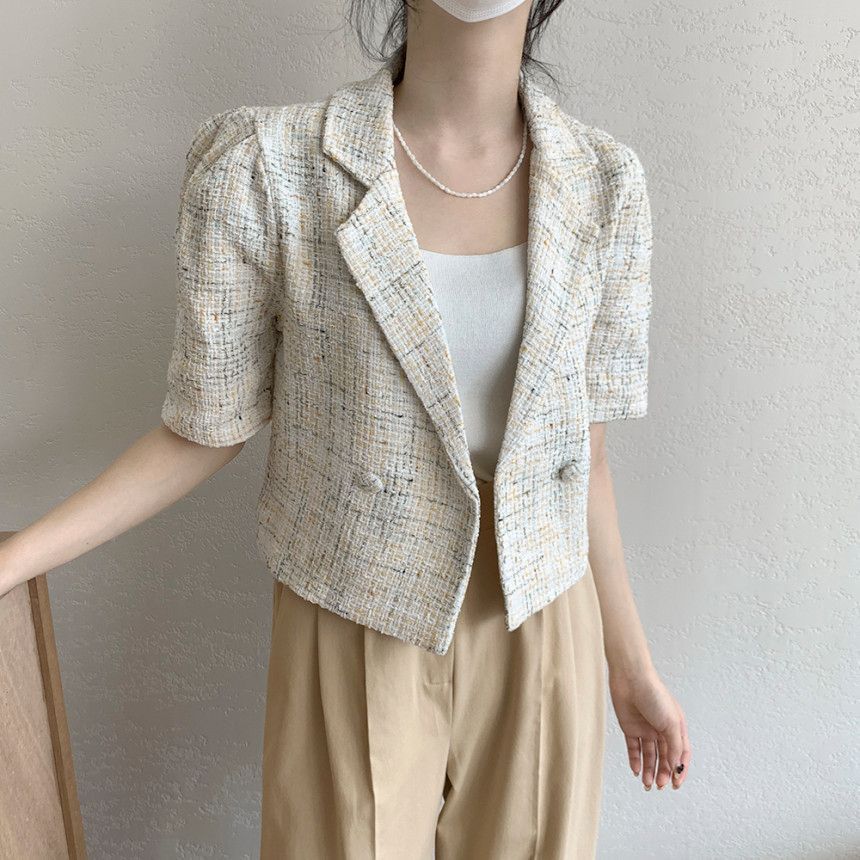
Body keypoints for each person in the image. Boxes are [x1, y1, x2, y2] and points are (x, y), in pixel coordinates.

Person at [0, 0, 691, 855]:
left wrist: (631, 666)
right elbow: (203, 427)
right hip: (354, 604)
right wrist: (17, 559)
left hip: (544, 616)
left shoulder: (603, 183)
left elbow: (585, 458)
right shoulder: (270, 168)